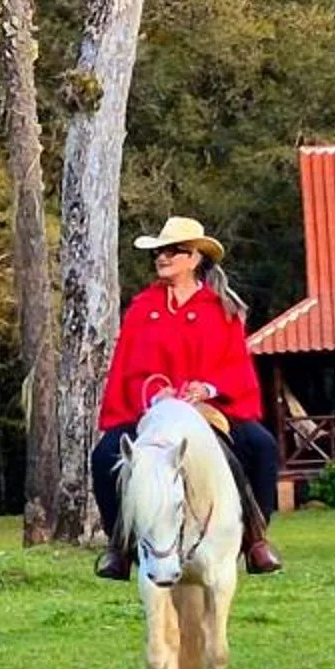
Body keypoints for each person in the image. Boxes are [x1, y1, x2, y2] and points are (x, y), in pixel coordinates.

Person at [92, 218, 283, 578]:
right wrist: (153, 391)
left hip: (209, 410)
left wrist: (207, 388)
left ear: (194, 258)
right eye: (159, 251)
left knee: (261, 446)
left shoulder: (221, 310)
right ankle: (118, 545)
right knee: (104, 455)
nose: (162, 257)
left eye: (172, 251)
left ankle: (256, 538)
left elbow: (235, 367)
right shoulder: (141, 309)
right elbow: (126, 368)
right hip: (153, 409)